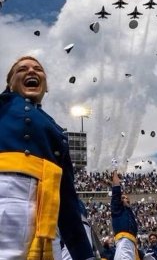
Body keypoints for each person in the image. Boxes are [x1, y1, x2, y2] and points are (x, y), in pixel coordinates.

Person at [0, 56, 94, 259]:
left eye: (38, 69)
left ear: (46, 86)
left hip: (43, 217)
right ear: (10, 84)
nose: (31, 71)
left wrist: (85, 256)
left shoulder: (58, 133)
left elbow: (68, 204)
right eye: (22, 69)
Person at [111, 170, 140, 260]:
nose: (125, 199)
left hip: (131, 244)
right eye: (122, 197)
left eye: (127, 198)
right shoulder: (117, 210)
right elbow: (116, 191)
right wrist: (115, 173)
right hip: (124, 240)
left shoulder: (130, 212)